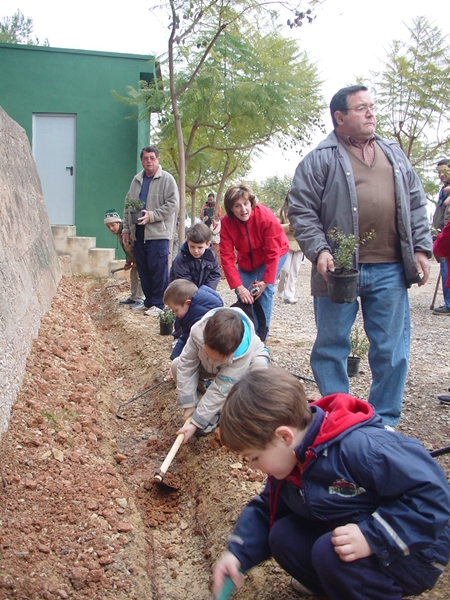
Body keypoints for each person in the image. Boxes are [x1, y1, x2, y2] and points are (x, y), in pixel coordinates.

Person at [213, 366, 450, 600]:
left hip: (415, 549)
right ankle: (337, 589)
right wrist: (237, 553)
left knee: (331, 552)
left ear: (284, 436)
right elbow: (267, 509)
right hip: (356, 534)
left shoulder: (362, 449)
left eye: (254, 457)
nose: (253, 467)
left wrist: (372, 536)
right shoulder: (291, 464)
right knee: (283, 536)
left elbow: (433, 495)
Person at [289, 85, 432, 428]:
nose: (371, 113)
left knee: (390, 351)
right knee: (331, 346)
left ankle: (385, 423)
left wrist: (422, 248)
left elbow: (415, 202)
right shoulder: (319, 159)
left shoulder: (394, 154)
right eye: (361, 108)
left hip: (391, 269)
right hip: (337, 271)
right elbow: (302, 210)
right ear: (339, 118)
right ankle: (340, 420)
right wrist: (321, 250)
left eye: (372, 106)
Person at [172, 307, 269, 442]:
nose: (212, 360)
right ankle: (203, 407)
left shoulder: (241, 353)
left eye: (218, 358)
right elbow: (187, 364)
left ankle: (227, 412)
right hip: (214, 368)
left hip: (245, 365)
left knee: (258, 377)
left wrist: (195, 423)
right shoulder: (198, 332)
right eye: (208, 354)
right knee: (177, 365)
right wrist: (189, 405)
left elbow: (221, 388)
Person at [220, 184, 289, 341]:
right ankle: (245, 331)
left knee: (263, 291)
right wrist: (239, 287)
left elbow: (273, 252)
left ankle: (260, 335)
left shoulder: (265, 217)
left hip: (275, 252)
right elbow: (226, 257)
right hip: (247, 259)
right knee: (244, 294)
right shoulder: (226, 223)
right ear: (231, 209)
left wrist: (265, 282)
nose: (243, 209)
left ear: (251, 202)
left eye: (246, 203)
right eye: (237, 206)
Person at [122, 145, 179, 317]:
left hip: (158, 234)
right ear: (142, 160)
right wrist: (126, 228)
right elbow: (128, 205)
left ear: (157, 159)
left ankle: (159, 304)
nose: (149, 161)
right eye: (146, 158)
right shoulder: (136, 181)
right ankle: (148, 302)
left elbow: (172, 204)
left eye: (152, 158)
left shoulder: (167, 180)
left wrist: (152, 216)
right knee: (143, 269)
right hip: (138, 234)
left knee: (158, 269)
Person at [163, 279, 223, 360]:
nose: (175, 314)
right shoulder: (192, 313)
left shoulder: (200, 319)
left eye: (176, 310)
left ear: (188, 303)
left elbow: (190, 344)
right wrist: (174, 358)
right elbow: (185, 336)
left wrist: (178, 361)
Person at [103, 209, 144, 309]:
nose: (111, 228)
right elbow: (127, 249)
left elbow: (136, 247)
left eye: (113, 225)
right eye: (109, 227)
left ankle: (140, 299)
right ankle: (134, 297)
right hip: (135, 259)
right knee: (133, 276)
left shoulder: (127, 232)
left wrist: (138, 261)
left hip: (141, 258)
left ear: (119, 222)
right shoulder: (119, 234)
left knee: (140, 277)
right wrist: (129, 262)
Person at [169, 222, 221, 290]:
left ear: (208, 244)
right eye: (192, 246)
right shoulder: (181, 259)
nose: (196, 251)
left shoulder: (211, 257)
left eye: (200, 247)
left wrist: (207, 291)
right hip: (182, 294)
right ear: (187, 242)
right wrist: (198, 295)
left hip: (204, 292)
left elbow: (215, 275)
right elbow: (184, 283)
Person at [276, 193, 304, 304]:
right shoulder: (282, 211)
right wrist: (289, 227)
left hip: (300, 243)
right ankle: (281, 288)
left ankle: (289, 295)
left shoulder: (304, 209)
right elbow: (276, 226)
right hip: (286, 243)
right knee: (285, 269)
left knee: (294, 271)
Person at [431, 159, 450, 315]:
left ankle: (449, 304)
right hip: (442, 232)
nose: (441, 175)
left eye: (444, 171)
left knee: (446, 268)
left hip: (447, 233)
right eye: (439, 172)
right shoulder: (444, 189)